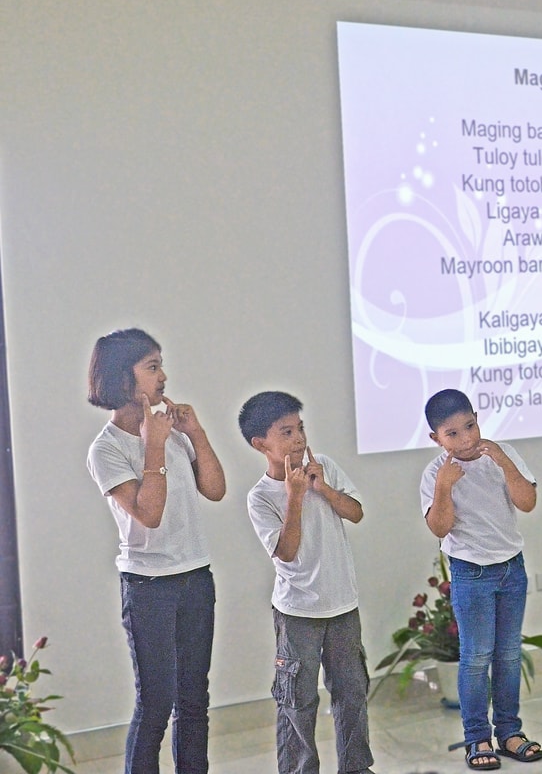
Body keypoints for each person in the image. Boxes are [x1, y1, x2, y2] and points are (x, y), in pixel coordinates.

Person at [86, 328, 226, 773]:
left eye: (160, 365)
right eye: (151, 366)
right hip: (148, 586)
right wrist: (154, 446)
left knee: (193, 700)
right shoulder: (105, 450)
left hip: (195, 576)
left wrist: (196, 432)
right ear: (122, 379)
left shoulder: (172, 432)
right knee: (156, 703)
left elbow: (216, 490)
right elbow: (149, 513)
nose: (163, 376)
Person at [239, 391, 375, 774]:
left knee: (352, 693)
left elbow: (356, 512)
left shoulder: (324, 466)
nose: (298, 438)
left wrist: (323, 489)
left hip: (343, 604)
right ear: (260, 444)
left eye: (300, 428)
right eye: (286, 432)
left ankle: (357, 767)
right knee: (297, 699)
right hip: (298, 612)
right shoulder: (260, 497)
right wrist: (295, 497)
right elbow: (287, 552)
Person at [420, 389, 542, 770]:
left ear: (477, 418)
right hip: (470, 572)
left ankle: (509, 732)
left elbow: (527, 502)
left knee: (508, 655)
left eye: (470, 426)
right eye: (452, 434)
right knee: (475, 659)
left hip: (511, 567)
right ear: (437, 439)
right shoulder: (434, 474)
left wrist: (503, 461)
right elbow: (439, 526)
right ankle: (478, 738)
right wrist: (444, 486)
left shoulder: (500, 454)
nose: (467, 438)